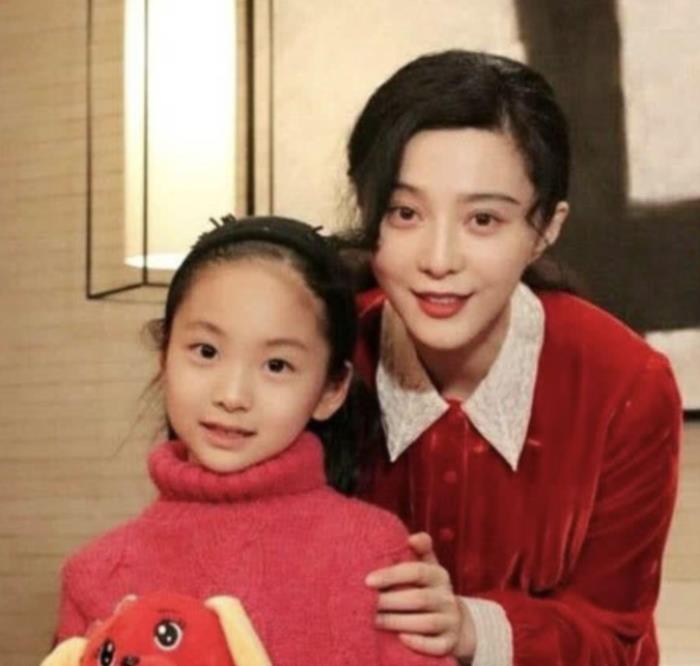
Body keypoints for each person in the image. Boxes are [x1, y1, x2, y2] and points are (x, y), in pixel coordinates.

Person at [343, 50, 682, 665]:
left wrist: (473, 628)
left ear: (545, 229)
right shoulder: (321, 357)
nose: (438, 259)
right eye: (405, 213)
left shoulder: (627, 385)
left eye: (483, 219)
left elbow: (614, 636)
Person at [54, 216, 454, 666]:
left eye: (277, 365)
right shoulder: (95, 573)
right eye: (206, 351)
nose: (232, 395)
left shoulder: (375, 554)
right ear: (164, 356)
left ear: (331, 389)